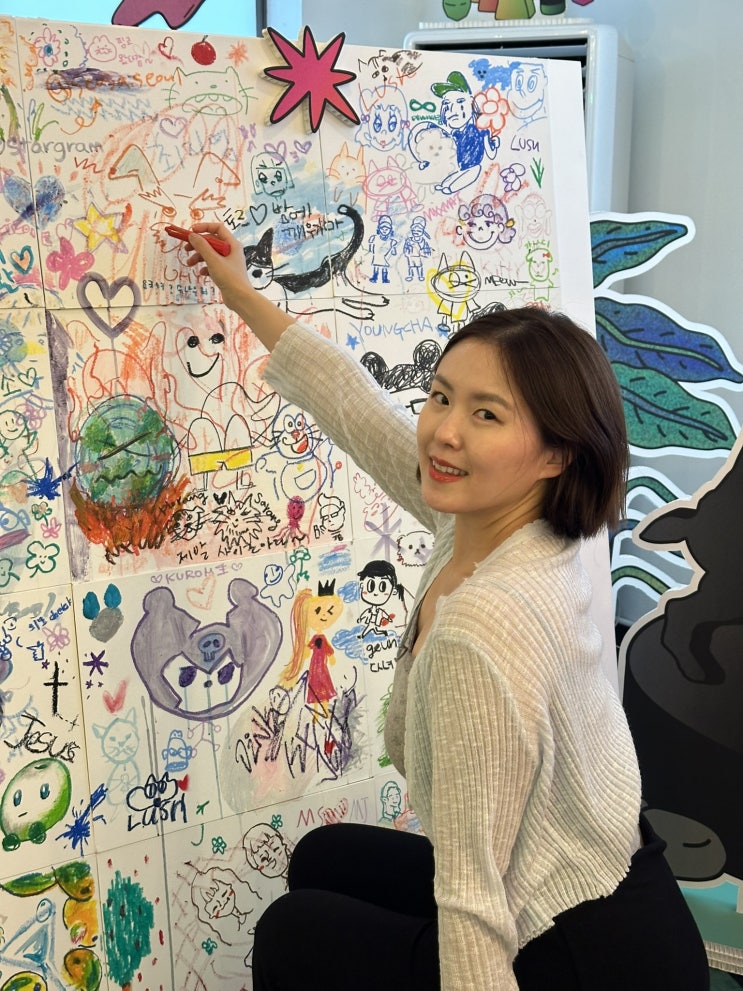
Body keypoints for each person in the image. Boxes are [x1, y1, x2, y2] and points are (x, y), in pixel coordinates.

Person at [185, 224, 710, 991]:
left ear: (557, 450)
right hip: (595, 879)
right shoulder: (512, 523)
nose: (444, 431)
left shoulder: (483, 627)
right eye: (440, 396)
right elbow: (354, 406)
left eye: (486, 414)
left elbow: (470, 904)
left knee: (294, 932)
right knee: (325, 859)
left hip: (587, 951)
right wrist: (241, 294)